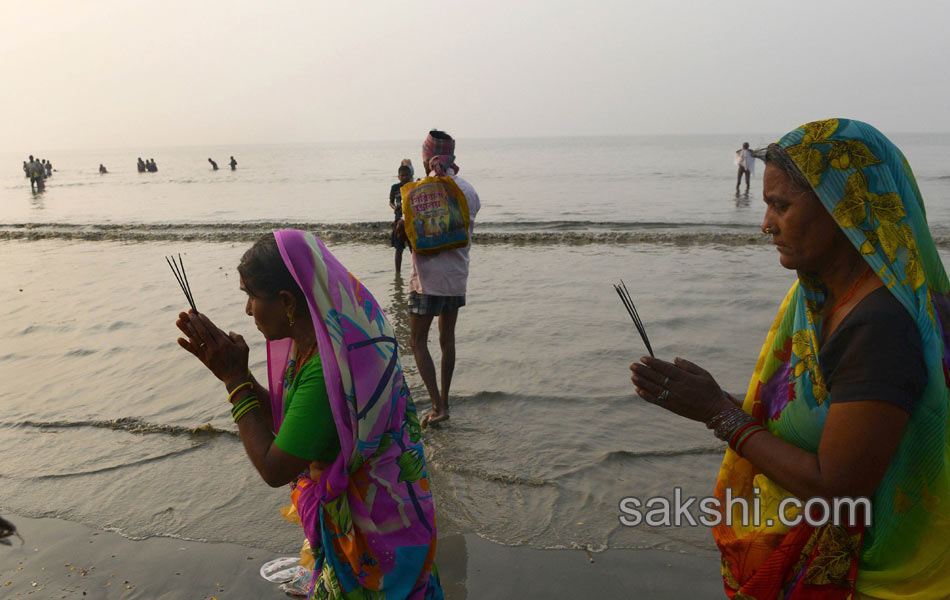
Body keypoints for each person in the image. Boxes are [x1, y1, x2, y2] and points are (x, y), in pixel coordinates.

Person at [630, 119, 950, 598]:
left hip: (879, 579)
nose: (766, 225)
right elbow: (837, 425)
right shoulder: (823, 299)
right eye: (766, 206)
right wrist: (710, 403)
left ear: (846, 209)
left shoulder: (882, 324)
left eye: (781, 206)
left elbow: (838, 491)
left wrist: (719, 413)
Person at [174, 230, 442, 599]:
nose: (248, 310)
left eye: (252, 296)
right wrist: (237, 375)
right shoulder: (319, 341)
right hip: (395, 509)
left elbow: (275, 467)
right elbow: (296, 421)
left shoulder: (323, 367)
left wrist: (236, 382)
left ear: (287, 301)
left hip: (377, 532)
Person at [399, 130, 480, 427]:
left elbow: (409, 232)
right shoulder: (469, 191)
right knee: (448, 340)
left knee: (417, 340)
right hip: (456, 277)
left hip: (426, 279)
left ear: (426, 157)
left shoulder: (417, 192)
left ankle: (437, 406)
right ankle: (445, 401)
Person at [389, 164, 413, 274]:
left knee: (414, 248)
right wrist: (394, 208)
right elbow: (390, 201)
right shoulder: (395, 188)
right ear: (398, 176)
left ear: (410, 176)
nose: (404, 177)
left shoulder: (414, 186)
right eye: (402, 175)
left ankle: (416, 269)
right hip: (399, 220)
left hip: (412, 220)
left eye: (406, 175)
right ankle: (397, 273)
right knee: (399, 248)